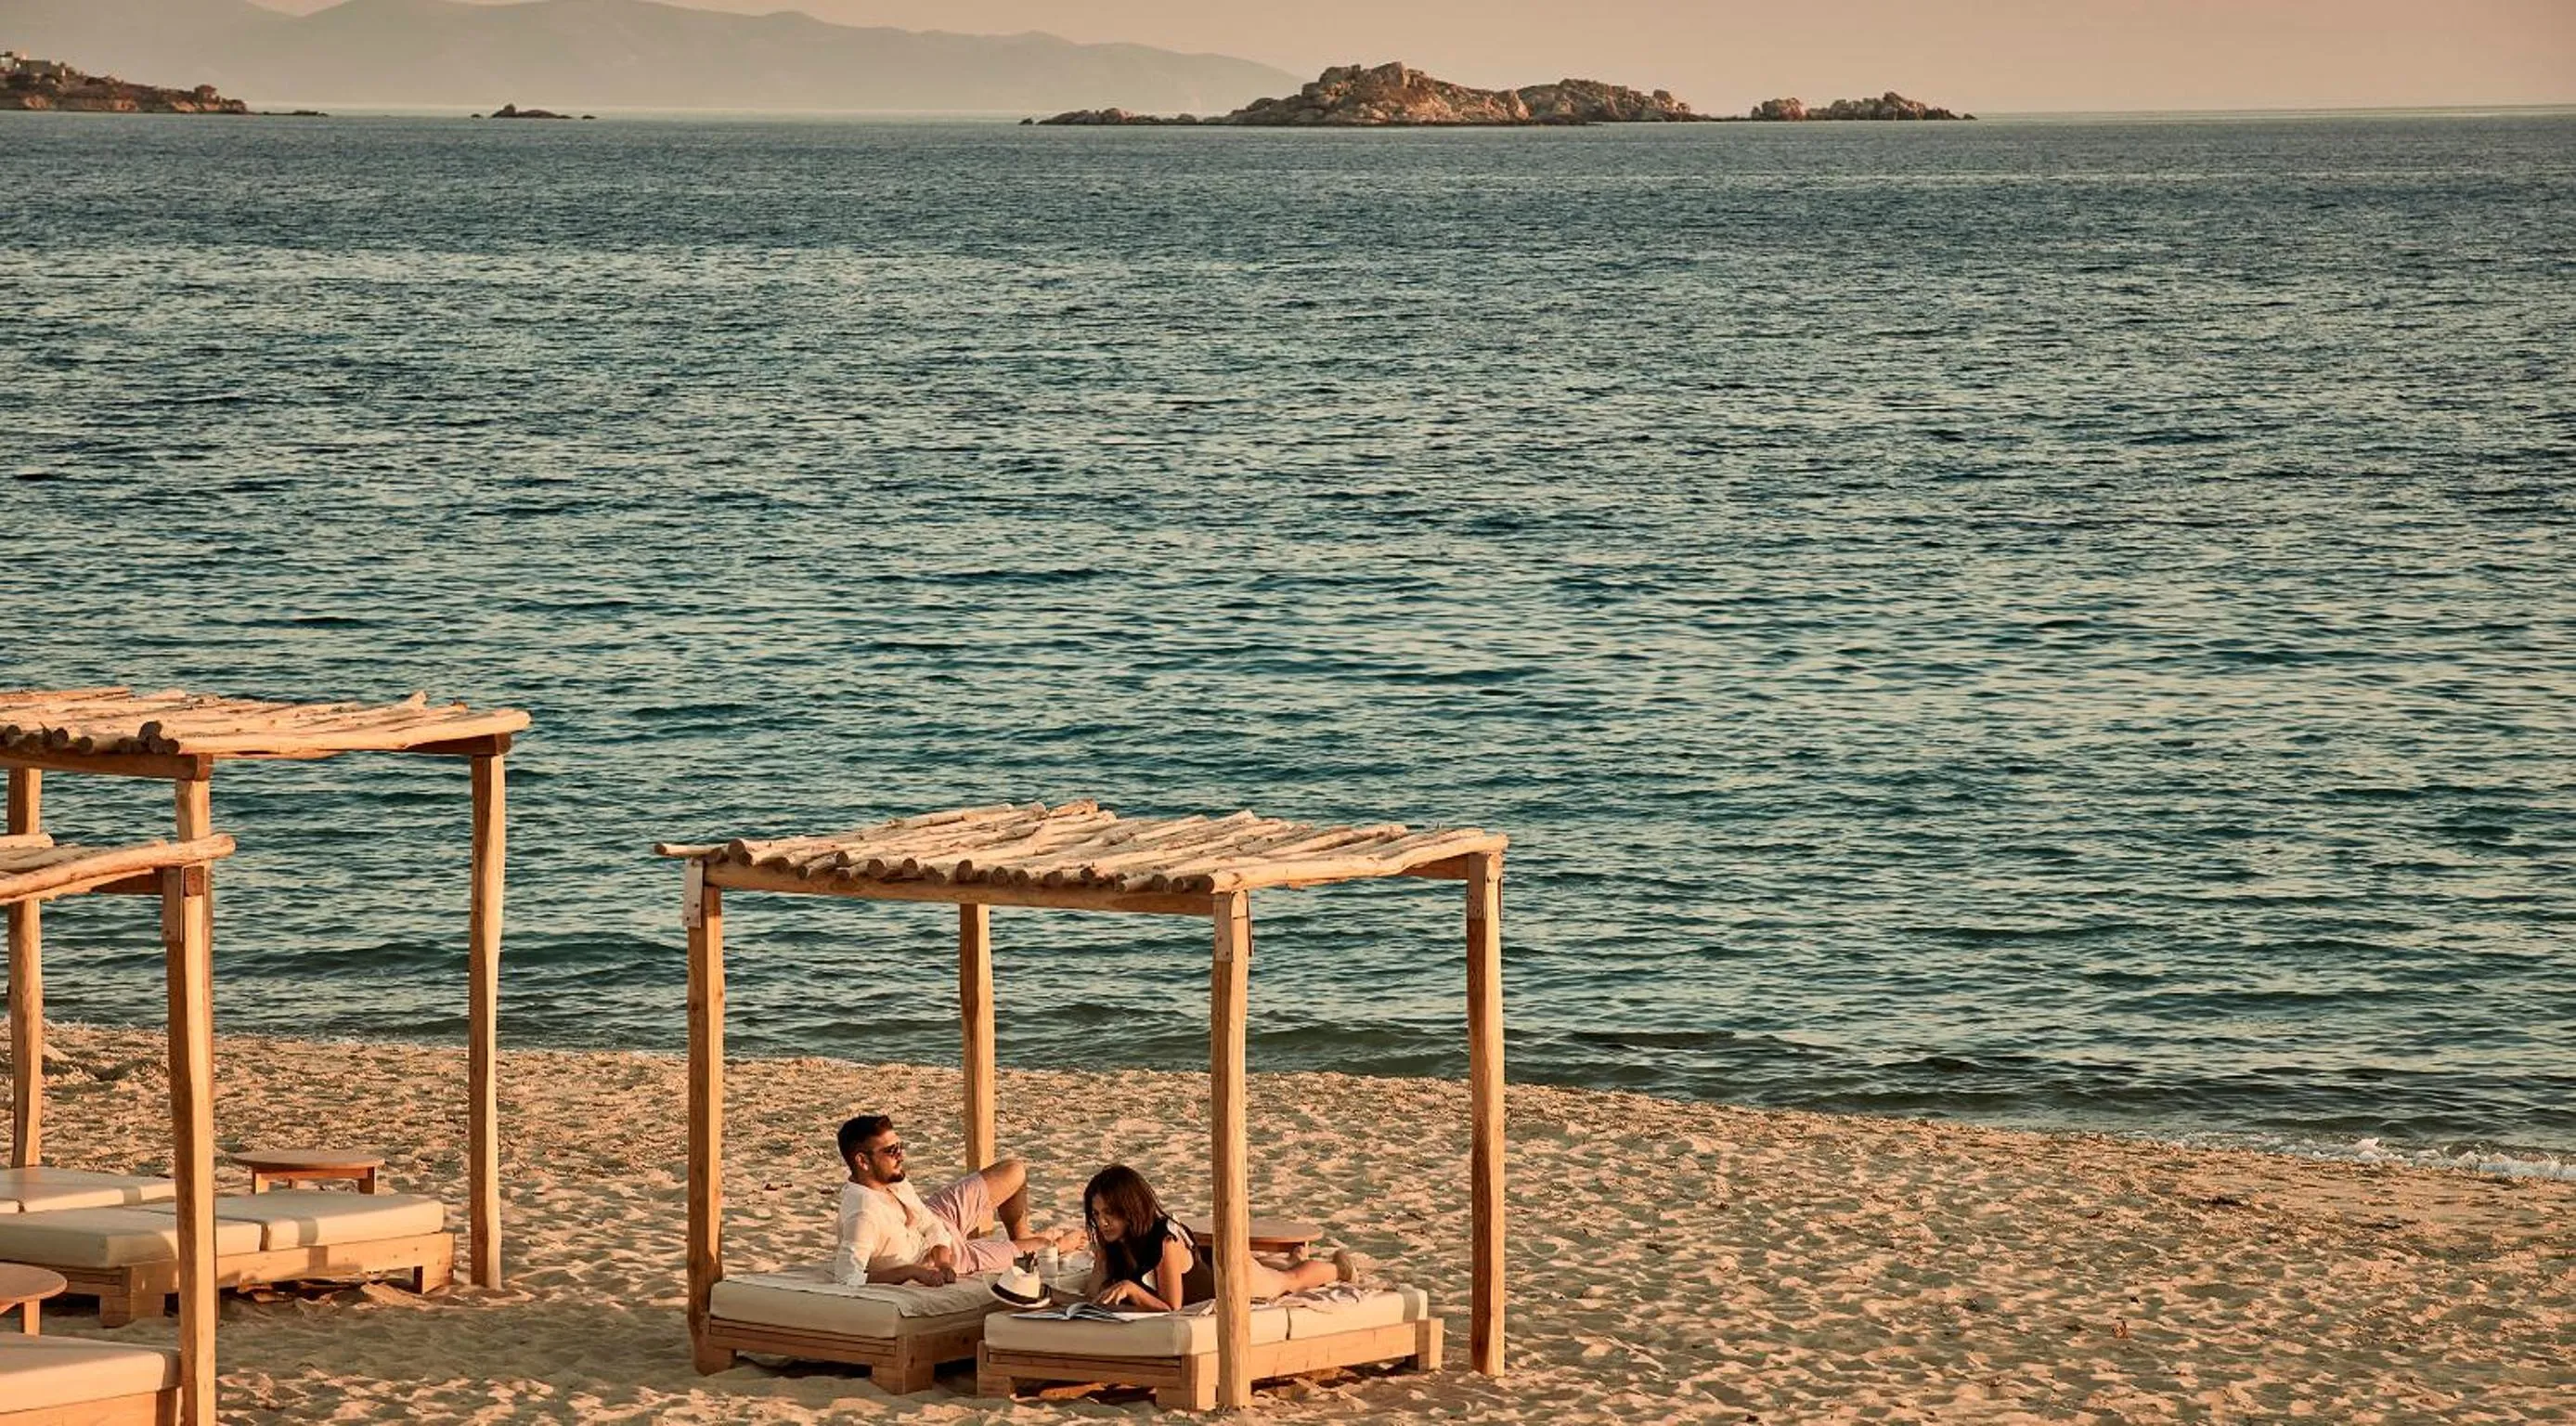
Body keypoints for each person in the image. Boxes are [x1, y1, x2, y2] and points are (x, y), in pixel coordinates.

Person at [832, 1113, 1080, 1287]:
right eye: (891, 1151)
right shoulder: (863, 1216)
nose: (901, 1156)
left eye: (900, 1146)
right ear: (862, 1162)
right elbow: (847, 1278)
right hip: (954, 1254)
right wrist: (914, 1271)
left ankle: (1020, 1236)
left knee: (1014, 1170)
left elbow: (931, 1225)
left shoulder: (893, 1181)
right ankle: (1044, 1244)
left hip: (936, 1221)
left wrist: (942, 1260)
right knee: (1047, 1246)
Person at [1081, 1163, 1368, 1310]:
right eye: (1096, 1215)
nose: (1102, 1222)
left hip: (1230, 1279)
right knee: (1273, 1267)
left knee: (1288, 1282)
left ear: (1130, 1208)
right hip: (1204, 1263)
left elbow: (1172, 1306)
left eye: (1109, 1213)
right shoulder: (1117, 1241)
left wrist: (1131, 1290)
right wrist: (1102, 1258)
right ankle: (1292, 1257)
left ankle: (1337, 1268)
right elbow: (1094, 1294)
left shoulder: (1163, 1240)